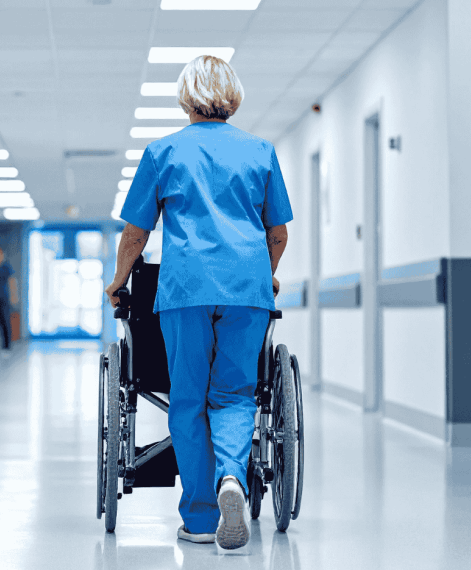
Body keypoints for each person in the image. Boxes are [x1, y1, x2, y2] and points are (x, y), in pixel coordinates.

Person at [104, 55, 292, 550]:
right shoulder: (260, 152)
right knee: (234, 393)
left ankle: (202, 518)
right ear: (233, 96)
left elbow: (135, 233)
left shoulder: (163, 152)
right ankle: (232, 476)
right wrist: (263, 276)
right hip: (247, 292)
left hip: (185, 290)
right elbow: (278, 233)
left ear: (186, 96)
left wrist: (119, 280)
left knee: (187, 401)